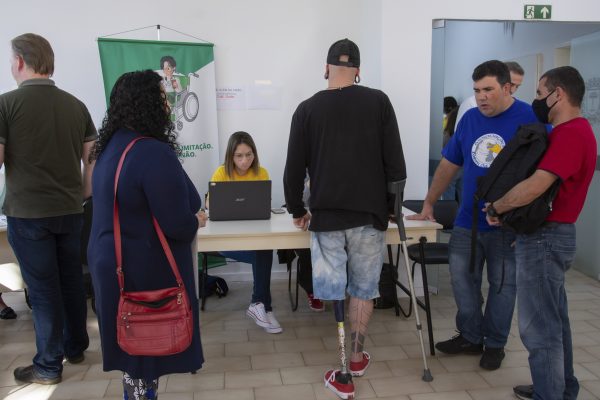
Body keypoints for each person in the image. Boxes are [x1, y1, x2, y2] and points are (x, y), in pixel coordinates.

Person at [284, 38, 406, 399]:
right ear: (358, 71)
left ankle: (342, 375)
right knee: (363, 289)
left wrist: (296, 209)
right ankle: (355, 358)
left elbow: (294, 169)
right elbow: (395, 165)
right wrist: (390, 208)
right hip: (369, 217)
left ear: (325, 69)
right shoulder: (379, 102)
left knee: (335, 289)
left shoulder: (306, 110)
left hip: (326, 218)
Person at [407, 60, 539, 371]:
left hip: (509, 225)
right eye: (477, 90)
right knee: (462, 281)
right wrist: (429, 202)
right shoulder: (468, 120)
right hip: (468, 222)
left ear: (507, 88)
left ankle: (494, 343)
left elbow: (542, 174)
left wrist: (531, 222)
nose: (481, 97)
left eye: (488, 90)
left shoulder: (530, 119)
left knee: (503, 286)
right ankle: (470, 335)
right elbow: (448, 166)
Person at [88, 70, 206, 399]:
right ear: (147, 105)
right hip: (141, 270)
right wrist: (197, 219)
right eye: (162, 98)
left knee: (133, 358)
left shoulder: (110, 147)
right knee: (143, 357)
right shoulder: (152, 152)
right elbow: (180, 223)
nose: (168, 106)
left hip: (111, 265)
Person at [485, 66, 596, 400]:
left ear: (557, 94)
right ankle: (561, 388)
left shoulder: (572, 133)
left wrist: (497, 207)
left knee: (539, 328)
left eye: (538, 93)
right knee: (554, 321)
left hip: (547, 239)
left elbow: (537, 185)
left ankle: (551, 393)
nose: (534, 100)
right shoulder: (571, 131)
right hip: (548, 235)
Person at [0, 33, 95, 385]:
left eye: (11, 59)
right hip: (71, 210)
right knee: (71, 279)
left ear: (21, 62)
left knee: (41, 291)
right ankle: (75, 346)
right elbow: (92, 159)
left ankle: (48, 365)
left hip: (28, 213)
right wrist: (82, 193)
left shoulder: (5, 104)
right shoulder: (76, 105)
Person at [209, 131, 282, 333]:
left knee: (263, 250)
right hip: (225, 243)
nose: (244, 161)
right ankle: (263, 307)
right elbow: (211, 206)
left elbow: (263, 205)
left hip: (253, 238)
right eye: (239, 156)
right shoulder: (221, 173)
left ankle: (261, 307)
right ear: (230, 156)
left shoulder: (262, 173)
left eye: (249, 155)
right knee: (264, 253)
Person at [456, 61, 525, 126]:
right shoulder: (470, 107)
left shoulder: (526, 113)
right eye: (511, 84)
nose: (512, 90)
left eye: (517, 86)